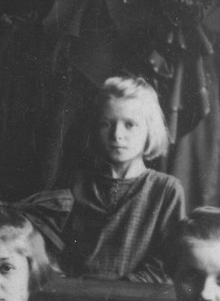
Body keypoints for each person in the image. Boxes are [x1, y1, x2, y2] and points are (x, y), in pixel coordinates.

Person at [39, 75, 186, 282]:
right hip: (74, 298)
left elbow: (165, 264)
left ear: (149, 130)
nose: (117, 134)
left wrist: (114, 292)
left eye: (130, 124)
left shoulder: (165, 190)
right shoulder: (76, 182)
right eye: (106, 124)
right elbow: (49, 247)